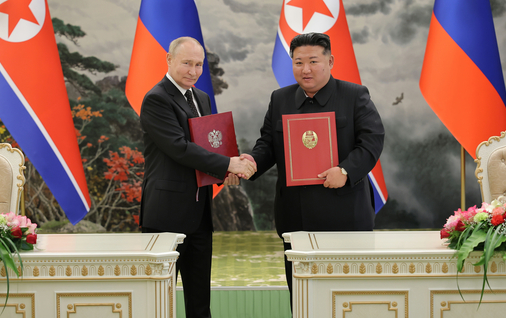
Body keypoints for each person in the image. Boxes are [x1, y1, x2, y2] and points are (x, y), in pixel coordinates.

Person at [231, 32, 384, 298]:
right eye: (298, 62)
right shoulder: (280, 99)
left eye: (313, 61)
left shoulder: (354, 95)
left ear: (330, 61)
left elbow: (372, 141)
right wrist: (252, 162)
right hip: (296, 215)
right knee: (303, 296)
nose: (306, 69)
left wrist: (346, 171)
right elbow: (268, 144)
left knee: (347, 296)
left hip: (345, 214)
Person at [139, 36, 256, 318]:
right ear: (169, 60)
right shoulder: (156, 99)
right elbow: (180, 149)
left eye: (199, 65)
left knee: (200, 303)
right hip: (166, 217)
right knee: (157, 302)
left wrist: (225, 172)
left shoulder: (202, 98)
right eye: (186, 63)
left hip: (200, 217)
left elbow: (210, 147)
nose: (193, 71)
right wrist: (229, 164)